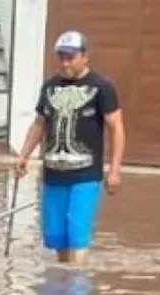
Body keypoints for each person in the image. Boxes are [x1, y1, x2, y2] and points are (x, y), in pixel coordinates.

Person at [14, 31, 125, 266]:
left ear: (85, 57)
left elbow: (116, 128)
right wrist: (23, 154)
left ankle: (75, 293)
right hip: (53, 175)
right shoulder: (50, 87)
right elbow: (39, 123)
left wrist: (114, 170)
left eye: (71, 57)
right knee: (55, 236)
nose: (65, 63)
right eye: (61, 57)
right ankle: (62, 288)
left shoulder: (102, 87)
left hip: (85, 175)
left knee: (77, 234)